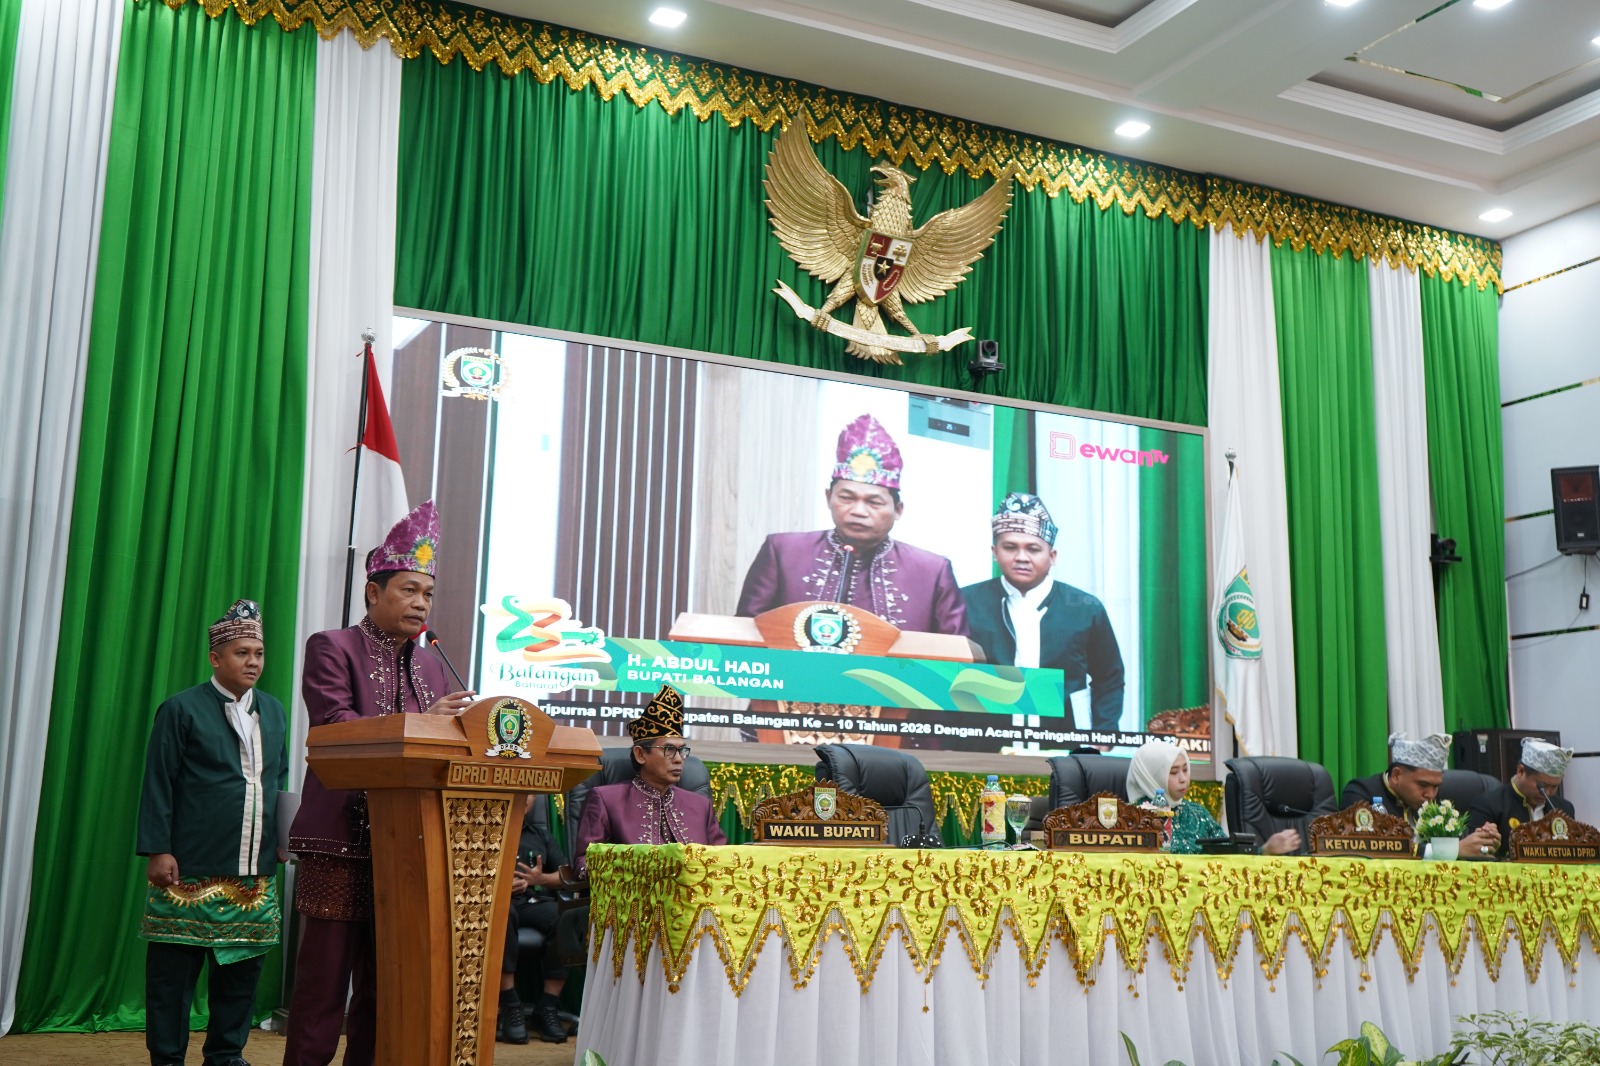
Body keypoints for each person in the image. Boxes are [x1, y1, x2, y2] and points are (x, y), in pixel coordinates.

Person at [283, 501, 476, 1066]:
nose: (421, 603)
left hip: (410, 846)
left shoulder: (436, 665)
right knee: (322, 992)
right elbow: (336, 728)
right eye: (410, 590)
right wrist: (425, 725)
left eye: (429, 595)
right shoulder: (332, 647)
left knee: (383, 991)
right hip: (341, 844)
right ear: (373, 592)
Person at [137, 598, 288, 1066]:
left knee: (242, 976)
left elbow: (277, 781)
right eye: (242, 653)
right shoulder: (181, 709)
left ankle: (226, 1055)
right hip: (189, 868)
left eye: (258, 654)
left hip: (252, 871)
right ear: (216, 658)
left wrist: (281, 838)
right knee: (172, 978)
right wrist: (158, 849)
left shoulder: (276, 712)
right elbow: (158, 781)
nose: (253, 663)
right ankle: (167, 1058)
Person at [735, 413, 968, 635]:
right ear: (829, 498)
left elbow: (956, 653)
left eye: (874, 502)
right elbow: (746, 633)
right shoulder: (783, 551)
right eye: (846, 498)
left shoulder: (932, 570)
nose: (858, 511)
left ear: (898, 510)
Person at [960, 493, 1124, 731]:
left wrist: (1102, 736)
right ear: (995, 553)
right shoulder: (965, 603)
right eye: (1010, 547)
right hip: (986, 744)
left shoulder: (1085, 608)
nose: (1021, 558)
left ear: (1052, 556)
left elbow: (1110, 678)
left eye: (1033, 549)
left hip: (1068, 745)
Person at [573, 685, 727, 874]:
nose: (679, 758)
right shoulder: (606, 799)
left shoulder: (700, 805)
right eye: (669, 750)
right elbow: (584, 861)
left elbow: (723, 859)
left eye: (682, 750)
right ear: (640, 755)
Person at [1341, 731, 1500, 859]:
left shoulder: (1431, 800)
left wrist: (1483, 841)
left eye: (1436, 786)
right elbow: (1375, 848)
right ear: (1396, 776)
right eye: (1423, 785)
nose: (1430, 794)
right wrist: (1450, 850)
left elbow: (1461, 846)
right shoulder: (1360, 794)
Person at [1127, 741, 1300, 855]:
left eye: (1185, 770)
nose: (1183, 778)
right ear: (1151, 777)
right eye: (1173, 772)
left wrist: (1265, 850)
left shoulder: (1196, 813)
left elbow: (1228, 856)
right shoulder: (1133, 817)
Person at [497, 795, 569, 1046]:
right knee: (501, 912)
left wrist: (541, 880)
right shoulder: (485, 829)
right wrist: (500, 886)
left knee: (565, 915)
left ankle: (547, 1007)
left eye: (529, 794)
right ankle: (510, 1003)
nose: (523, 798)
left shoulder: (541, 835)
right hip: (498, 903)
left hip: (533, 903)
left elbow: (565, 875)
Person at [1464, 738, 1576, 860]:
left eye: (1554, 787)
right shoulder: (1488, 805)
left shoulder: (1563, 809)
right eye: (1542, 786)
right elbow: (1479, 857)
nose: (1547, 793)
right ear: (1521, 771)